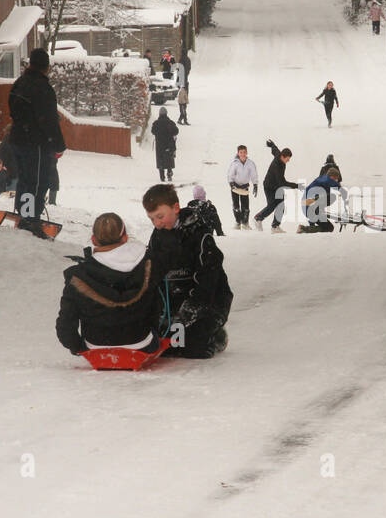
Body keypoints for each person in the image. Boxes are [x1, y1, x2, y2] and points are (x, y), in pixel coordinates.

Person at [143, 183, 233, 358]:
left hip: (206, 302)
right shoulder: (158, 236)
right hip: (174, 303)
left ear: (175, 208)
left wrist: (192, 308)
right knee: (165, 348)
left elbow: (209, 277)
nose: (157, 223)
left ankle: (214, 334)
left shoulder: (199, 234)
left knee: (194, 349)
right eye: (152, 219)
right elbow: (152, 270)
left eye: (160, 216)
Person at [56, 212, 163, 355]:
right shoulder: (147, 266)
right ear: (125, 237)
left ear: (94, 239)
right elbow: (156, 309)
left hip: (95, 346)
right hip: (141, 344)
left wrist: (77, 347)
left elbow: (65, 324)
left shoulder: (79, 275)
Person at [8, 47, 67, 237]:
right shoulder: (43, 88)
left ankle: (24, 215)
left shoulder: (19, 83)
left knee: (24, 179)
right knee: (38, 182)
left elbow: (14, 110)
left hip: (17, 138)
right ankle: (31, 220)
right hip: (36, 143)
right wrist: (58, 144)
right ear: (46, 67)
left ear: (30, 64)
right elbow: (48, 120)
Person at [254, 139, 297, 233]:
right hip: (269, 186)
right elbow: (282, 183)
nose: (288, 161)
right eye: (287, 159)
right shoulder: (277, 166)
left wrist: (272, 145)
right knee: (272, 205)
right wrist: (295, 186)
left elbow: (275, 150)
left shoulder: (279, 155)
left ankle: (275, 226)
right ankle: (258, 218)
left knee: (281, 204)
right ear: (283, 156)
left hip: (276, 187)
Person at [298, 165, 344, 233]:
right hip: (309, 206)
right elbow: (330, 181)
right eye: (336, 178)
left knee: (329, 228)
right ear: (332, 176)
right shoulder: (324, 179)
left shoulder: (323, 184)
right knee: (331, 196)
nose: (336, 181)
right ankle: (305, 228)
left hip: (311, 209)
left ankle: (304, 229)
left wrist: (312, 223)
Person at [226, 144, 259, 230]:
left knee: (245, 207)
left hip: (244, 187)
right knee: (236, 206)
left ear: (247, 152)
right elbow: (230, 174)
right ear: (238, 153)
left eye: (244, 152)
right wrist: (231, 184)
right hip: (235, 187)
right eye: (241, 152)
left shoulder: (250, 163)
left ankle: (245, 223)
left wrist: (255, 184)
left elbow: (253, 174)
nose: (243, 154)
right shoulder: (235, 163)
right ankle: (237, 222)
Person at [151, 107, 178, 181]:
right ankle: (169, 173)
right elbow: (176, 131)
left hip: (160, 145)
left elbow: (153, 131)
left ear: (159, 114)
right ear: (166, 114)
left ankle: (162, 177)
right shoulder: (170, 123)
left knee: (160, 160)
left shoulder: (156, 123)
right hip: (169, 144)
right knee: (169, 158)